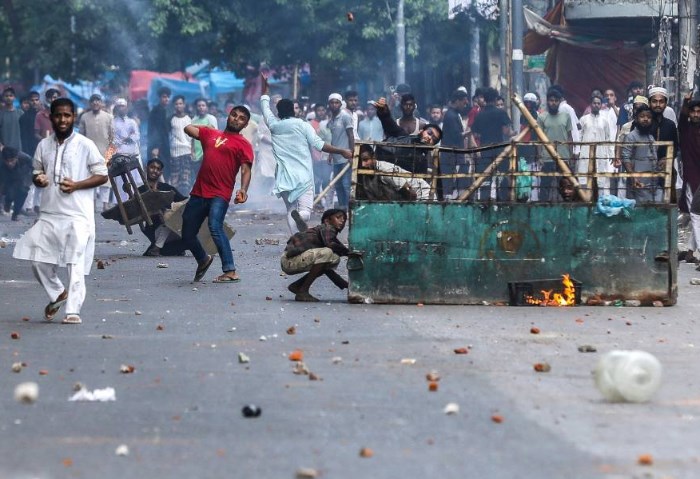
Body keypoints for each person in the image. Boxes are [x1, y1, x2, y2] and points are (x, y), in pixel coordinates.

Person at [12, 98, 108, 325]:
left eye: (67, 115)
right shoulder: (43, 146)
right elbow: (37, 172)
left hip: (77, 215)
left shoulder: (85, 144)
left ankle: (73, 310)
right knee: (37, 259)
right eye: (58, 115)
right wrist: (39, 179)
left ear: (74, 117)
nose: (62, 120)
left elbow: (102, 175)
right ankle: (57, 293)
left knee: (74, 262)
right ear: (51, 117)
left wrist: (76, 185)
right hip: (49, 213)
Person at [260, 74, 352, 234]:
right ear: (293, 111)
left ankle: (296, 238)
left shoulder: (273, 124)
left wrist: (265, 89)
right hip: (303, 176)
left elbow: (265, 107)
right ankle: (301, 218)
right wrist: (341, 150)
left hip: (283, 176)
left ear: (279, 113)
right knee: (306, 212)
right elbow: (320, 145)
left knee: (290, 209)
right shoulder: (303, 125)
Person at [181, 104, 254, 284]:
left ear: (245, 125)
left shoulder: (244, 144)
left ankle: (230, 270)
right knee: (187, 234)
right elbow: (187, 128)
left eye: (241, 118)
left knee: (215, 226)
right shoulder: (210, 134)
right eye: (234, 115)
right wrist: (206, 128)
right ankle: (203, 259)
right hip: (199, 192)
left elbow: (246, 170)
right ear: (228, 116)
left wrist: (243, 190)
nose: (236, 119)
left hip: (220, 194)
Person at [281, 208, 349, 302]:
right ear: (327, 220)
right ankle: (303, 291)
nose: (342, 221)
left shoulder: (323, 232)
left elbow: (326, 269)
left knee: (333, 258)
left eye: (344, 219)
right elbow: (331, 244)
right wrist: (349, 253)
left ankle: (297, 286)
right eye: (338, 217)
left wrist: (344, 284)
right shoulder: (327, 228)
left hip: (291, 260)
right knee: (327, 252)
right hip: (289, 260)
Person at [372, 97, 442, 181]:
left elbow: (419, 185)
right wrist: (384, 113)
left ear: (432, 145)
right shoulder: (403, 136)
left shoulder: (422, 162)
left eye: (433, 139)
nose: (429, 137)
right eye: (429, 133)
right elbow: (390, 124)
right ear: (421, 131)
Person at [138, 158, 188, 256]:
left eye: (158, 169)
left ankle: (171, 248)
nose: (154, 171)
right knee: (169, 222)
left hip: (173, 231)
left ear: (161, 172)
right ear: (146, 168)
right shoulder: (140, 191)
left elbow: (184, 200)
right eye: (152, 167)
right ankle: (157, 248)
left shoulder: (167, 188)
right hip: (155, 230)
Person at [471, 87, 512, 200]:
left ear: (484, 99)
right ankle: (503, 202)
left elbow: (476, 133)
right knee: (502, 177)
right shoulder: (501, 113)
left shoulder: (480, 115)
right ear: (495, 99)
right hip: (499, 149)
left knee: (485, 179)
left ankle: (484, 203)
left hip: (485, 150)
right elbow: (506, 131)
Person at [536, 88, 575, 202]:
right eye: (551, 100)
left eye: (556, 100)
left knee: (564, 184)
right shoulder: (542, 117)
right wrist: (539, 156)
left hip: (563, 156)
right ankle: (543, 209)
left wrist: (571, 155)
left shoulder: (566, 116)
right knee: (545, 186)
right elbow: (539, 138)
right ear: (547, 101)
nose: (553, 103)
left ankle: (565, 209)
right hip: (547, 157)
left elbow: (569, 137)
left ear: (559, 101)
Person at [357, 144, 430, 200]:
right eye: (360, 161)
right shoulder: (364, 174)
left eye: (366, 160)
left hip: (422, 193)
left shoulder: (385, 170)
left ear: (373, 157)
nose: (363, 164)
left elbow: (410, 193)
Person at [79, 94, 113, 210]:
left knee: (105, 179)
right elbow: (81, 136)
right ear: (90, 103)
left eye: (97, 101)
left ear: (101, 103)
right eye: (93, 101)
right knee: (90, 178)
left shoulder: (109, 117)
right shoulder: (84, 117)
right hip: (89, 153)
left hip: (105, 152)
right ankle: (92, 204)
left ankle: (105, 204)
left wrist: (110, 155)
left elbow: (113, 138)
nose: (95, 103)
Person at [678, 93, 700, 263]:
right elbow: (682, 118)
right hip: (692, 177)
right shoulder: (686, 130)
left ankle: (691, 251)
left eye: (699, 112)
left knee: (697, 215)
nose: (696, 115)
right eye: (693, 112)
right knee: (695, 214)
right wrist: (686, 101)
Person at [621, 104, 658, 204]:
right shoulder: (631, 137)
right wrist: (633, 177)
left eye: (649, 117)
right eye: (642, 116)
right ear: (636, 119)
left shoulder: (651, 137)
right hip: (638, 183)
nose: (645, 119)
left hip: (652, 183)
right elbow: (625, 158)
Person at [578, 95, 613, 195]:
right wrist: (577, 151)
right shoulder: (583, 119)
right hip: (585, 152)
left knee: (600, 181)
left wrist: (610, 154)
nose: (596, 105)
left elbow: (608, 138)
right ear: (591, 104)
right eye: (594, 103)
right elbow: (579, 137)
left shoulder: (604, 121)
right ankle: (584, 202)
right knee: (584, 180)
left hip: (601, 153)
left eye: (598, 103)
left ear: (601, 105)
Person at [440, 89, 471, 199]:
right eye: (464, 102)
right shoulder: (451, 116)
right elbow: (457, 136)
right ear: (457, 101)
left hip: (453, 154)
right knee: (450, 182)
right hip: (451, 155)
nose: (465, 105)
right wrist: (469, 132)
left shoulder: (453, 114)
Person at [326, 92, 354, 209]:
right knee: (338, 185)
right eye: (332, 102)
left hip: (346, 157)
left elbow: (351, 136)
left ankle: (349, 209)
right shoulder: (331, 119)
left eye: (336, 102)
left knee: (346, 184)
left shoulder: (345, 116)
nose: (334, 105)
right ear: (329, 104)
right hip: (336, 158)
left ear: (340, 104)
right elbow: (333, 138)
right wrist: (330, 154)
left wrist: (352, 153)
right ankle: (342, 208)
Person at [0, 146, 33, 220]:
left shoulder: (25, 158)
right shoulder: (1, 163)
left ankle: (16, 213)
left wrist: (30, 179)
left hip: (21, 175)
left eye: (12, 160)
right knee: (10, 193)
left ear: (16, 158)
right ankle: (7, 202)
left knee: (23, 191)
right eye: (7, 161)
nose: (10, 163)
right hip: (6, 178)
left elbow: (34, 166)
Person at [169, 95, 193, 192]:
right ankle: (176, 200)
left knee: (186, 178)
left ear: (184, 105)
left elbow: (193, 136)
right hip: (175, 152)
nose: (179, 106)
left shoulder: (189, 118)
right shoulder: (170, 119)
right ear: (174, 106)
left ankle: (185, 199)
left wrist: (192, 151)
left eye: (180, 103)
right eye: (176, 104)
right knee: (175, 178)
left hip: (187, 151)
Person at [191, 97, 219, 179]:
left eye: (203, 105)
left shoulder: (211, 119)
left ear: (207, 107)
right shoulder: (193, 120)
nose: (201, 107)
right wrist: (192, 151)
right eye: (199, 105)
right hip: (197, 154)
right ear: (196, 107)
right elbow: (192, 138)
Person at [147, 86, 171, 180]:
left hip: (164, 145)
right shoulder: (156, 111)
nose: (166, 99)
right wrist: (156, 147)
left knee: (164, 171)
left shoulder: (165, 110)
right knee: (159, 172)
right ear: (160, 98)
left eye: (168, 97)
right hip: (158, 147)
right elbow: (155, 130)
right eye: (164, 97)